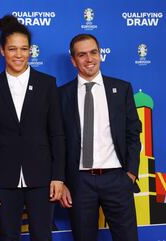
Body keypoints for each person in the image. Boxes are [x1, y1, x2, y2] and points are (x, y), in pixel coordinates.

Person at [0, 15, 65, 241]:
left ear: (31, 51)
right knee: (8, 236)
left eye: (24, 49)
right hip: (4, 179)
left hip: (42, 178)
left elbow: (57, 134)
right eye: (12, 49)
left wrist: (58, 176)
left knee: (42, 235)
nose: (18, 54)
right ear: (2, 51)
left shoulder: (48, 84)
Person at [59, 33, 142, 241]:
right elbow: (57, 141)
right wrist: (62, 181)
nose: (89, 59)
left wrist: (130, 173)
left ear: (100, 54)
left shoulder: (122, 89)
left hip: (117, 178)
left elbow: (133, 133)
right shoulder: (61, 94)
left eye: (94, 52)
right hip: (79, 182)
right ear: (73, 60)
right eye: (82, 55)